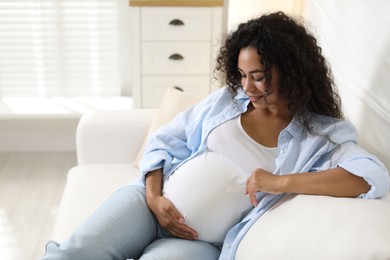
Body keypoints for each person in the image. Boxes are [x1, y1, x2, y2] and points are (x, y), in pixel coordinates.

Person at [42, 11, 390, 260]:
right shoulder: (228, 101)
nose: (247, 86)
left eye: (258, 76)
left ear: (291, 71)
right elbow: (166, 139)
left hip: (198, 244)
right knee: (74, 253)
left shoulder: (320, 135)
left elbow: (371, 176)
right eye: (241, 74)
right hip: (148, 206)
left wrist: (280, 182)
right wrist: (153, 197)